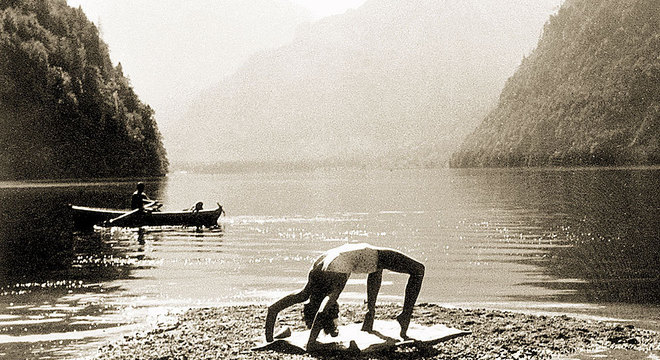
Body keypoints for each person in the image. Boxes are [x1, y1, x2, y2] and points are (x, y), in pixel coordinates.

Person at [264, 243, 425, 350]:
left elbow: (322, 311)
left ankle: (372, 315)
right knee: (417, 270)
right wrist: (311, 343)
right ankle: (402, 315)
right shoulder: (327, 273)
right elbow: (273, 309)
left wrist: (309, 343)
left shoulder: (330, 276)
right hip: (348, 256)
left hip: (358, 257)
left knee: (400, 268)